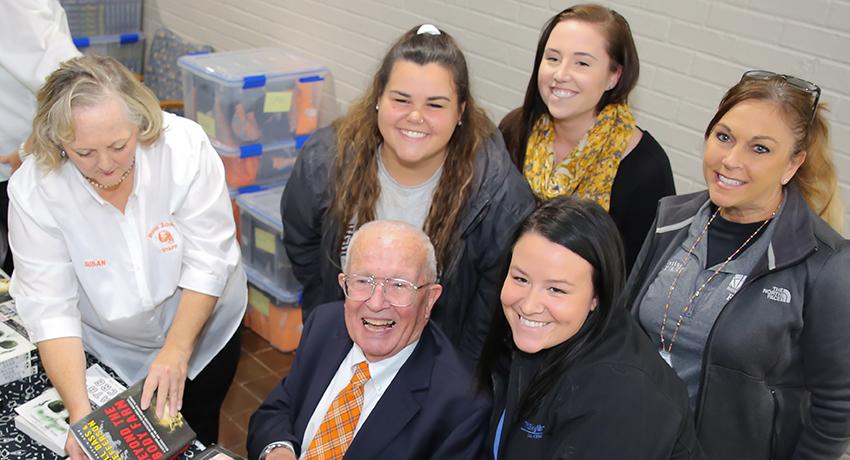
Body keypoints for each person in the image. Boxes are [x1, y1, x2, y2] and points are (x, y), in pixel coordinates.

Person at [8, 55, 247, 456]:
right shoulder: (36, 191)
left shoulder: (183, 147)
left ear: (140, 122)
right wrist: (82, 417)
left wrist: (177, 350)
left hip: (204, 328)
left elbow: (209, 259)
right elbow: (51, 308)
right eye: (84, 153)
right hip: (113, 344)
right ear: (58, 141)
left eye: (119, 146)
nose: (105, 165)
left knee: (199, 428)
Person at [624, 70, 850, 459]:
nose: (730, 160)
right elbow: (622, 328)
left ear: (793, 164)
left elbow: (836, 408)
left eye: (760, 149)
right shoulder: (671, 218)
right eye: (724, 137)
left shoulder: (825, 264)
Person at [282, 24, 534, 363]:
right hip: (344, 346)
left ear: (461, 113)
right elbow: (303, 246)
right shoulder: (326, 162)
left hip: (436, 363)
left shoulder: (499, 197)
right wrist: (326, 323)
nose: (415, 117)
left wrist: (452, 386)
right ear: (378, 101)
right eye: (401, 100)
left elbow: (485, 315)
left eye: (435, 105)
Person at [479, 196, 701, 459]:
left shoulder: (622, 397)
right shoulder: (536, 338)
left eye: (556, 289)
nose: (528, 305)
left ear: (597, 296)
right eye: (520, 278)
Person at [248, 220, 491, 460]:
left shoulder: (461, 403)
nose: (376, 303)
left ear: (429, 300)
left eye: (398, 285)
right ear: (344, 284)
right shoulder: (324, 325)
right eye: (363, 281)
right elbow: (277, 408)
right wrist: (279, 451)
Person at [499, 4, 675, 272]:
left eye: (582, 63)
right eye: (553, 58)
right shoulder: (515, 129)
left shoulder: (646, 168)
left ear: (614, 76)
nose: (560, 74)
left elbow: (639, 278)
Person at [0, 0, 81, 274]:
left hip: (19, 162)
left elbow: (72, 80)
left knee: (30, 269)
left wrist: (30, 147)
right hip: (17, 157)